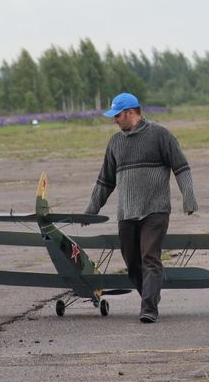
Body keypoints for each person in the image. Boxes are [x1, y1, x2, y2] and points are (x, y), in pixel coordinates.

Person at [84, 92, 198, 323]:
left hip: (155, 211)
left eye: (117, 115)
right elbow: (105, 181)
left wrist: (189, 198)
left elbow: (181, 167)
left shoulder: (160, 134)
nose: (114, 120)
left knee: (150, 258)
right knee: (132, 263)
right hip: (126, 213)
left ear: (130, 112)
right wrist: (90, 210)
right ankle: (150, 296)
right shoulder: (115, 143)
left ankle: (148, 308)